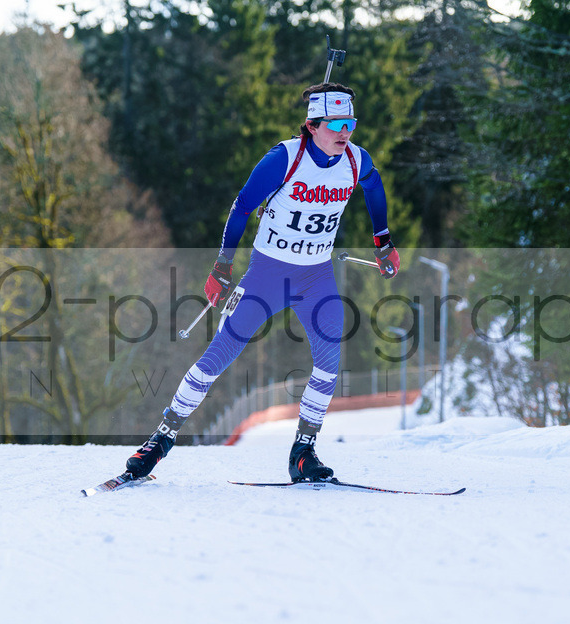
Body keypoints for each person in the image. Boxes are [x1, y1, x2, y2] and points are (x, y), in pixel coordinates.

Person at [126, 82, 401, 482]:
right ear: (312, 125)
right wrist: (222, 266)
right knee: (220, 353)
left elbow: (374, 188)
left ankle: (303, 453)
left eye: (351, 123)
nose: (346, 132)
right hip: (268, 273)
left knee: (329, 359)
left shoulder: (356, 160)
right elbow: (241, 208)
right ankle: (161, 440)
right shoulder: (282, 159)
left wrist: (383, 241)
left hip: (316, 275)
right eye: (337, 123)